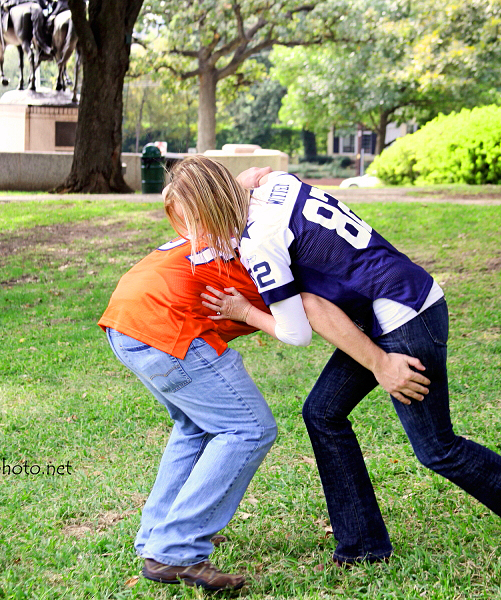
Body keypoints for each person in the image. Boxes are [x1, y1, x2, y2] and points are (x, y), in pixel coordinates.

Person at [164, 156, 501, 567]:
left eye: (196, 219)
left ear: (212, 205)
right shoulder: (275, 185)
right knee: (322, 413)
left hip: (405, 318)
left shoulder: (260, 241)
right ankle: (362, 545)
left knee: (437, 448)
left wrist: (244, 312)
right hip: (397, 303)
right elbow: (262, 180)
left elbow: (298, 329)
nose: (197, 234)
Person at [98, 162, 403, 591]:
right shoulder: (272, 241)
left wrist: (256, 176)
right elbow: (309, 317)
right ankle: (176, 548)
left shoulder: (234, 212)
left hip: (127, 320)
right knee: (249, 429)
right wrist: (377, 359)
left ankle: (159, 535)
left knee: (195, 428)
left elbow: (252, 176)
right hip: (167, 326)